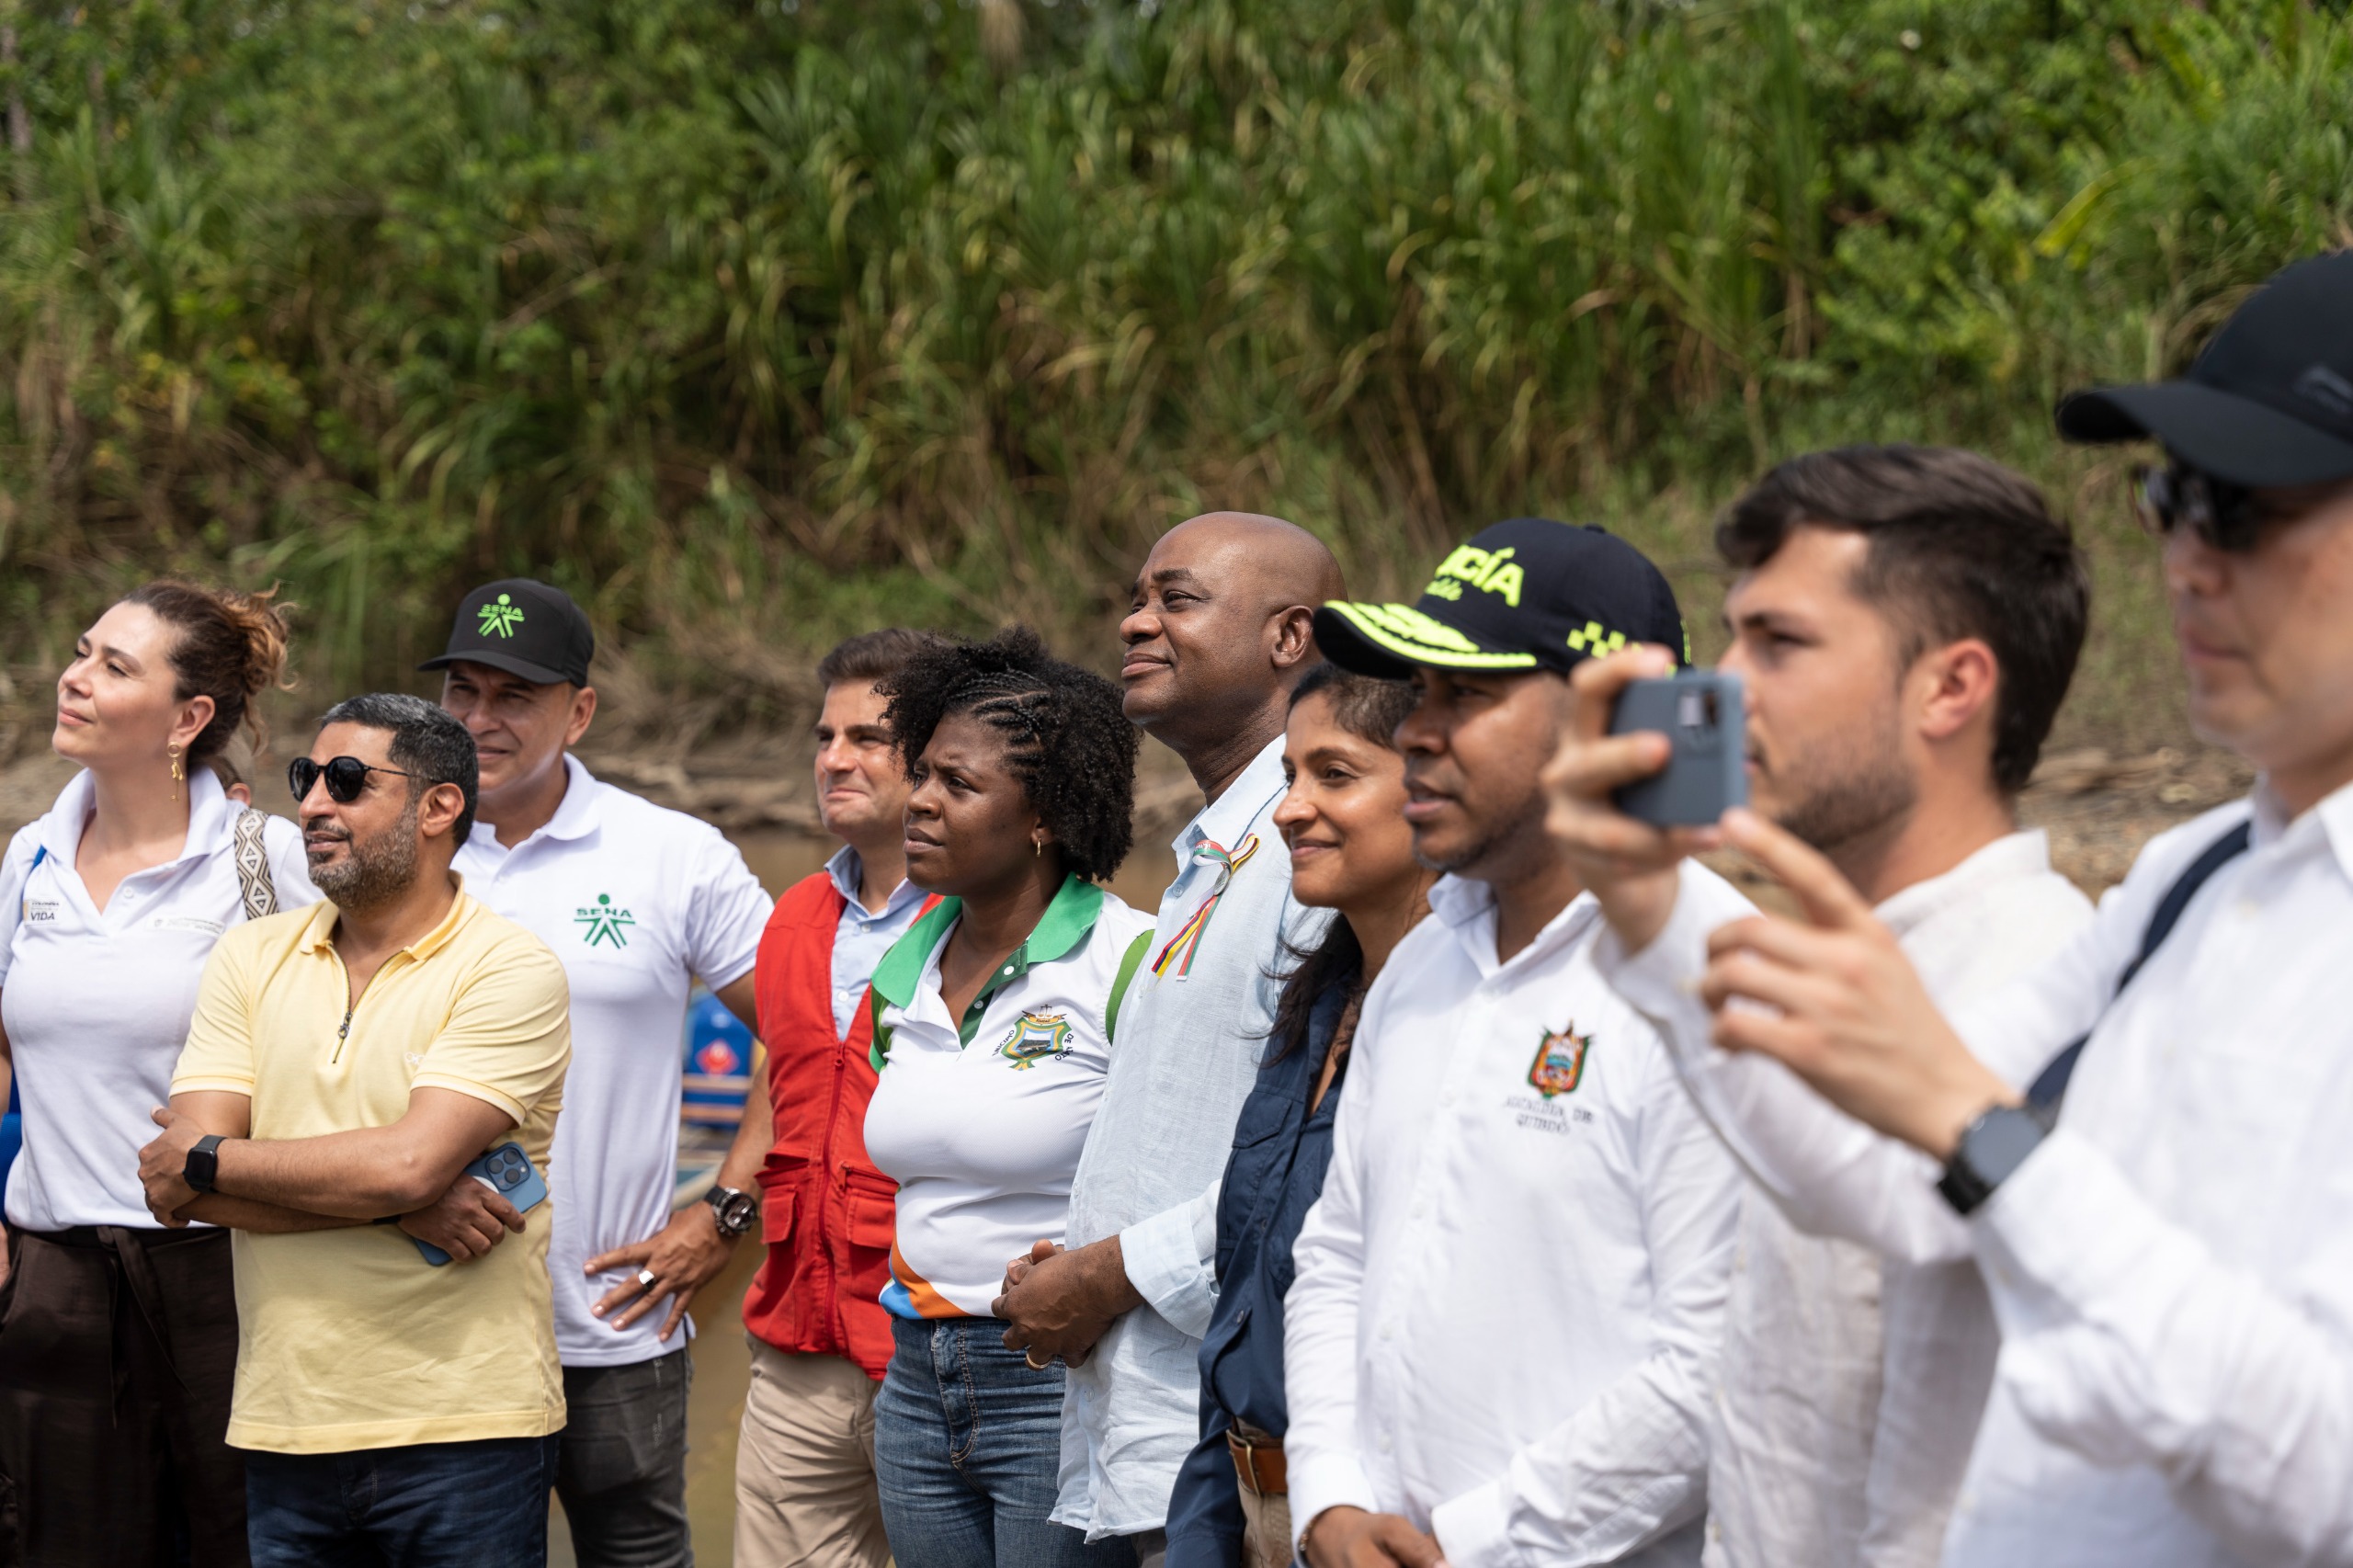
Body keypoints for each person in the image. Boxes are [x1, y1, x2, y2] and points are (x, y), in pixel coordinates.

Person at [1687, 250, 2353, 1566]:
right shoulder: (2194, 874)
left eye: (2245, 506)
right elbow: (1882, 1181)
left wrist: (1982, 1132)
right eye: (2172, 500)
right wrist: (1647, 911)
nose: (2184, 558)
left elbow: (2324, 1472)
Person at [1541, 447, 2094, 1567]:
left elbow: (1875, 1187)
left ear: (1951, 685)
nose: (1724, 682)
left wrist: (1651, 919)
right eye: (1732, 633)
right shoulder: (1836, 952)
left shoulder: (2043, 975)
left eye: (1779, 642)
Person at [1285, 518, 1742, 1568]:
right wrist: (1331, 1497)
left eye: (1466, 695)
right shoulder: (1420, 963)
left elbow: (1717, 1358)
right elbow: (1339, 1252)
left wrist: (1470, 1541)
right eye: (1418, 694)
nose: (1415, 732)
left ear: (1614, 717)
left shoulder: (1711, 976)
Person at [138, 693, 572, 1568]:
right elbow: (171, 1187)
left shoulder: (511, 968)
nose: (310, 806)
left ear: (439, 806)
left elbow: (406, 1164)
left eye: (346, 781)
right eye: (307, 778)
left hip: (465, 1432)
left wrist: (223, 1158)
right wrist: (392, 1204)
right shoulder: (250, 956)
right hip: (284, 1423)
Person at [993, 512, 1345, 1563]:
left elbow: (1323, 1146)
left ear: (1290, 637)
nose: (1134, 622)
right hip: (1140, 1425)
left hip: (1230, 1432)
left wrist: (1110, 1272)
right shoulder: (1214, 848)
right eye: (1137, 597)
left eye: (1176, 599)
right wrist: (1085, 1250)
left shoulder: (1314, 847)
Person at [426, 577, 775, 1565]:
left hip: (611, 1312)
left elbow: (808, 1038)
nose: (480, 721)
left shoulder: (673, 854)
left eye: (513, 697)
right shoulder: (393, 842)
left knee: (635, 1550)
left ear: (579, 711)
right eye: (463, 691)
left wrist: (724, 1212)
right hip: (424, 1308)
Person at [0, 582, 316, 1567]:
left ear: (188, 718)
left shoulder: (270, 861)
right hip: (52, 1278)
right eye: (83, 648)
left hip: (224, 1275)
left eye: (114, 665)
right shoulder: (28, 857)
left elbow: (341, 1052)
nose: (75, 675)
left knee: (239, 1544)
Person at [858, 628, 1154, 1568]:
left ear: (1044, 818)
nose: (919, 801)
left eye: (958, 782)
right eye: (921, 774)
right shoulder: (898, 971)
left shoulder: (1131, 961)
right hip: (913, 1374)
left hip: (1059, 1378)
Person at [1162, 665, 1433, 1568]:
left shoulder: (1468, 1022)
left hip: (1378, 1524)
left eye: (1337, 774)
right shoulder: (1316, 1002)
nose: (1288, 808)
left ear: (1435, 783)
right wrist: (1206, 1517)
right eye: (1288, 776)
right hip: (1252, 1506)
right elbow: (1245, 1296)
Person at [735, 627, 949, 1568]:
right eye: (824, 737)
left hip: (942, 1343)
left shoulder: (996, 915)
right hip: (796, 1341)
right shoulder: (792, 915)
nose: (833, 758)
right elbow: (784, 1088)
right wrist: (722, 1206)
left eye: (867, 737)